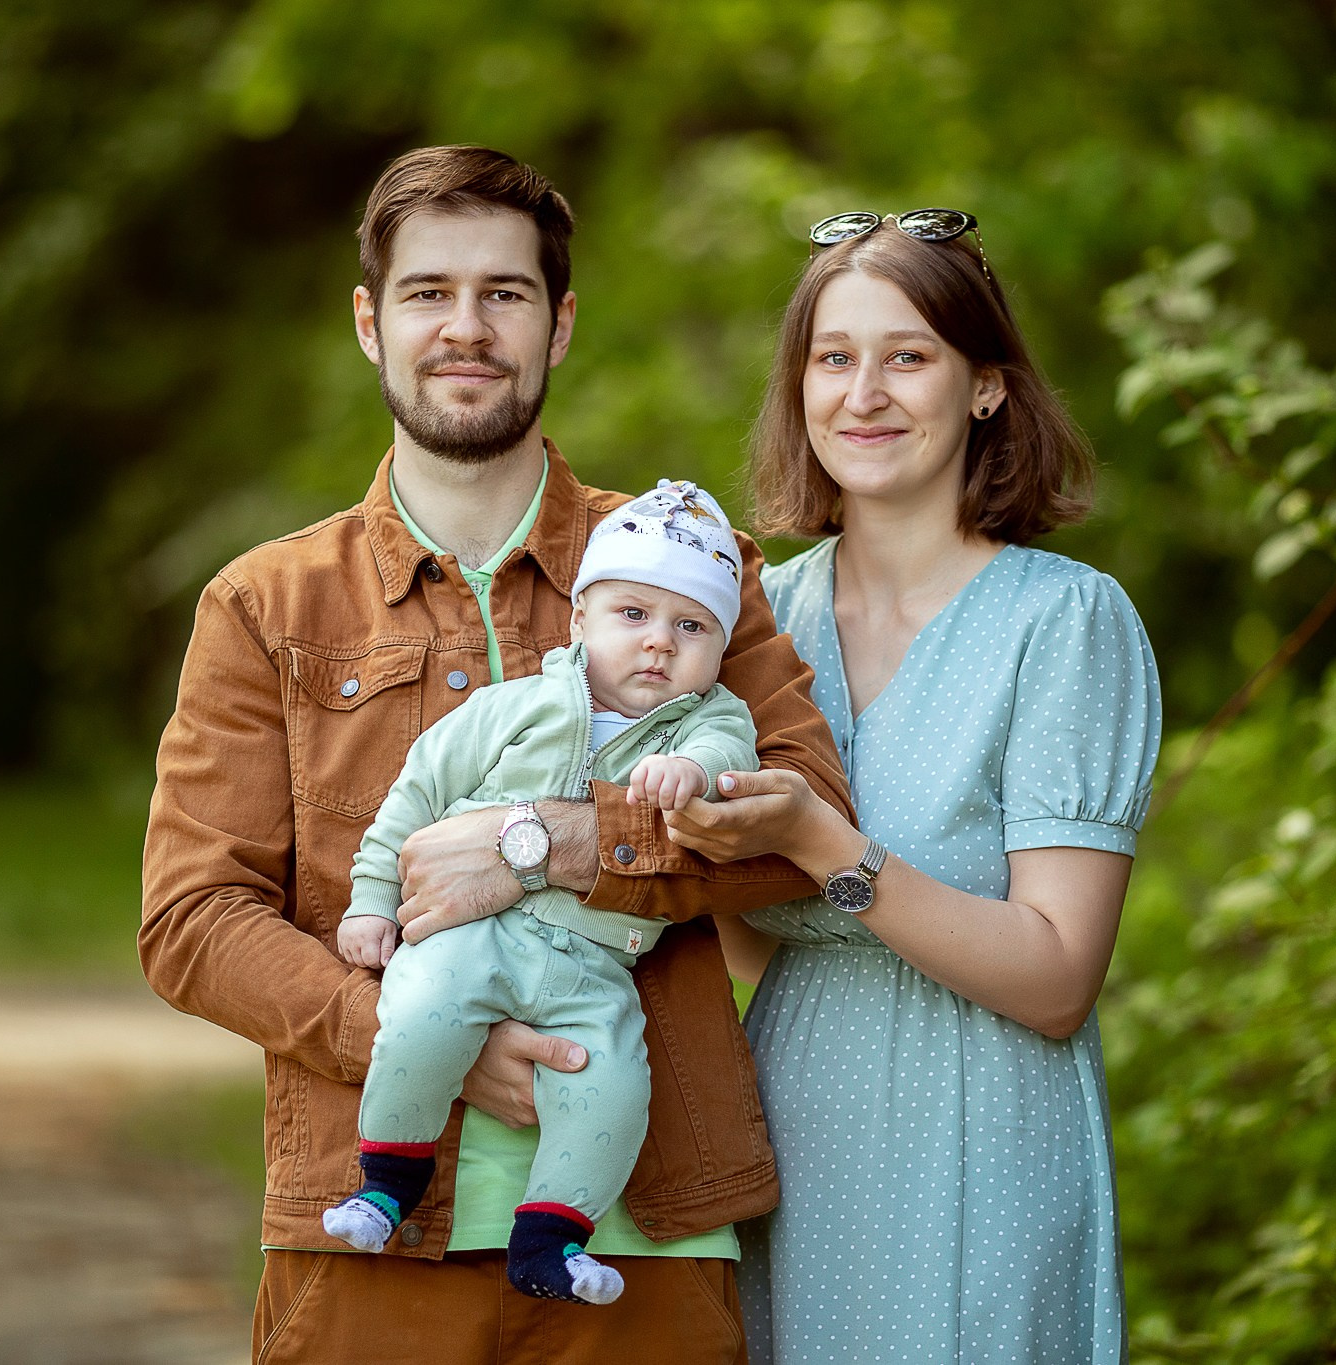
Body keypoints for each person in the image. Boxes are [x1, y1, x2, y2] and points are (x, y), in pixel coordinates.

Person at [138, 146, 850, 1365]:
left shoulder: (689, 569)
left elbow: (807, 827)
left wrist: (573, 841)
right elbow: (191, 918)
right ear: (370, 323)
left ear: (558, 324)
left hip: (646, 1241)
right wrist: (427, 1037)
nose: (465, 328)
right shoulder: (266, 605)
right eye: (427, 293)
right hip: (367, 1244)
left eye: (504, 294)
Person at [665, 209, 1163, 1362]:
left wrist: (821, 841)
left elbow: (1054, 980)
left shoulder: (1063, 622)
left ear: (984, 385)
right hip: (784, 1143)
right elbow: (746, 949)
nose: (863, 393)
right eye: (832, 359)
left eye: (908, 356)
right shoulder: (751, 618)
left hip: (984, 1148)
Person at [324, 480, 761, 1309]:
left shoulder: (708, 719)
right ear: (579, 622)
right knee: (419, 1015)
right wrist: (372, 899)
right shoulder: (513, 705)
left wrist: (694, 770)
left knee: (610, 1085)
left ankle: (553, 1238)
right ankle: (386, 1181)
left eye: (691, 626)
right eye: (633, 614)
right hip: (469, 932)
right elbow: (412, 798)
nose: (660, 644)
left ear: (718, 648)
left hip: (595, 963)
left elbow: (731, 758)